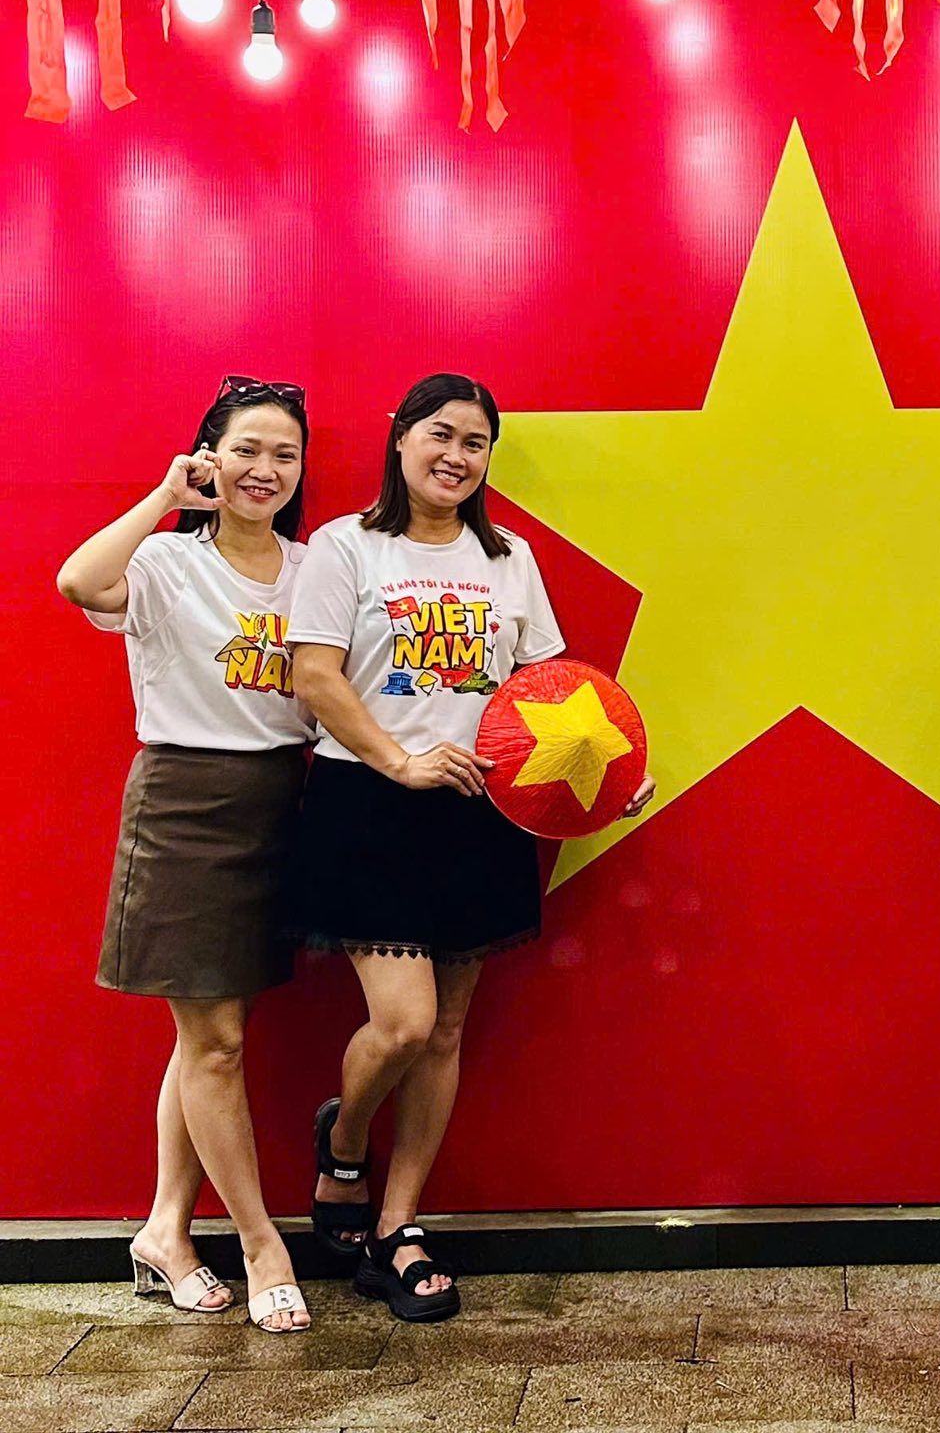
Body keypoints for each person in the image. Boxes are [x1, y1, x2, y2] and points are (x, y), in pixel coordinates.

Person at [286, 372, 653, 1324]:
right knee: (405, 1023)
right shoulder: (344, 546)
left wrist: (607, 775)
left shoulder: (508, 557)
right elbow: (314, 676)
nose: (456, 456)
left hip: (477, 814)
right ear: (401, 437)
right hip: (368, 805)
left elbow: (549, 695)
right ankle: (345, 1146)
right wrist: (400, 761)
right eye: (441, 434)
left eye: (476, 443)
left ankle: (398, 1228)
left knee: (446, 1032)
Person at [57, 377, 313, 1334]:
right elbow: (79, 583)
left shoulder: (313, 565)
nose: (264, 470)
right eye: (246, 449)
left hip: (281, 804)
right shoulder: (167, 560)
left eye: (284, 454)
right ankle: (259, 1243)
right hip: (185, 806)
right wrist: (167, 497)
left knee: (208, 1039)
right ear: (210, 455)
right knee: (218, 1043)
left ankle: (165, 1229)